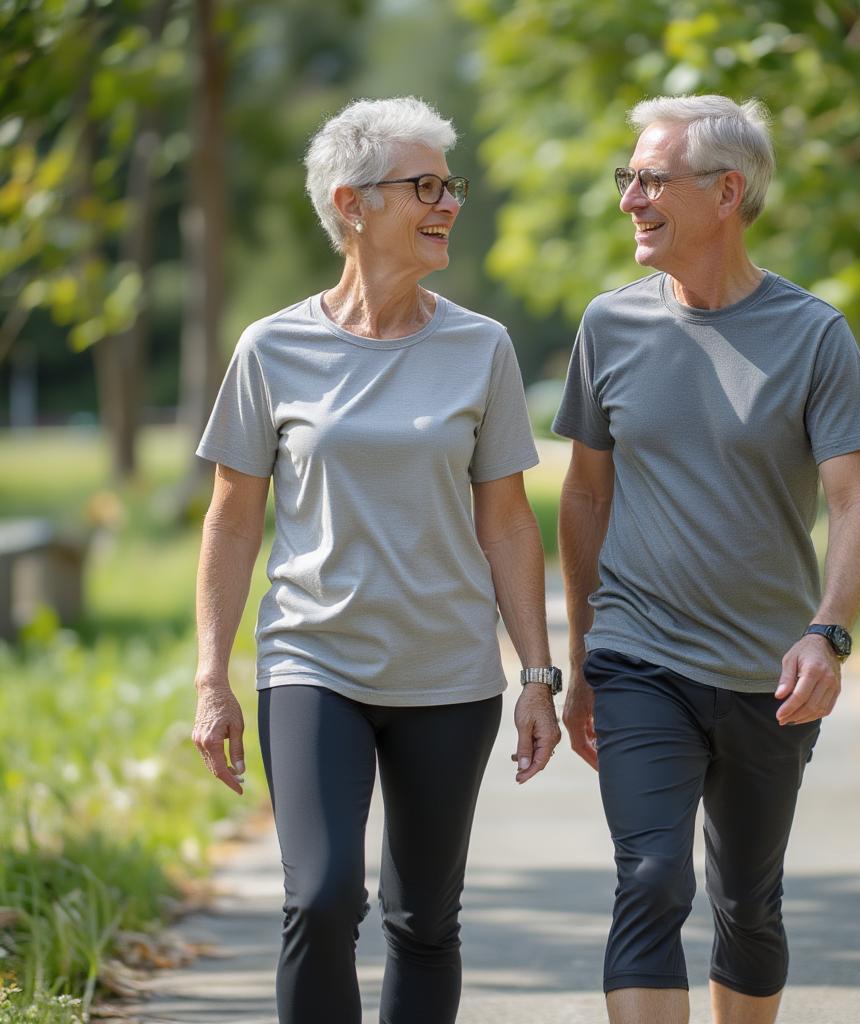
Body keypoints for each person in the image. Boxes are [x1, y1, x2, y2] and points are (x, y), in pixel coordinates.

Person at [190, 96, 561, 1024]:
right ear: (353, 204)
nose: (447, 203)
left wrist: (538, 675)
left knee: (424, 919)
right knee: (319, 900)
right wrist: (211, 678)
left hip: (449, 676)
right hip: (315, 661)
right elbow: (232, 521)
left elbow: (510, 524)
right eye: (424, 185)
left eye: (450, 185)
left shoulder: (482, 347)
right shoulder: (272, 346)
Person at [553, 94, 860, 1024]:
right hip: (638, 654)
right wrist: (582, 654)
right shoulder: (610, 326)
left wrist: (827, 634)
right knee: (652, 878)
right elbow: (585, 495)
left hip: (767, 670)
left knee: (749, 900)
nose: (629, 197)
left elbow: (854, 500)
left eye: (651, 179)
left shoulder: (814, 334)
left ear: (727, 193)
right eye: (627, 178)